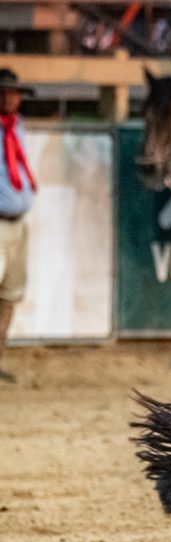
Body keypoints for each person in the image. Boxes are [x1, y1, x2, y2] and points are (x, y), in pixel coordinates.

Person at [0, 68, 36, 384]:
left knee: (10, 295)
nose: (11, 97)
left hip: (18, 223)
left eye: (14, 92)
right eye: (5, 92)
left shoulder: (17, 127)